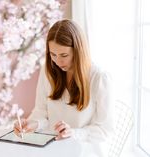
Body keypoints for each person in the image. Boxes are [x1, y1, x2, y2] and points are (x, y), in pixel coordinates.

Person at [14, 19, 114, 156]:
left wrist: (74, 133)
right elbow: (41, 111)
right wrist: (33, 124)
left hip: (84, 151)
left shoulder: (99, 78)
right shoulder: (48, 71)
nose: (58, 61)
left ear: (79, 51)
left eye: (64, 55)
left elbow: (105, 130)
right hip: (52, 149)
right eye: (53, 55)